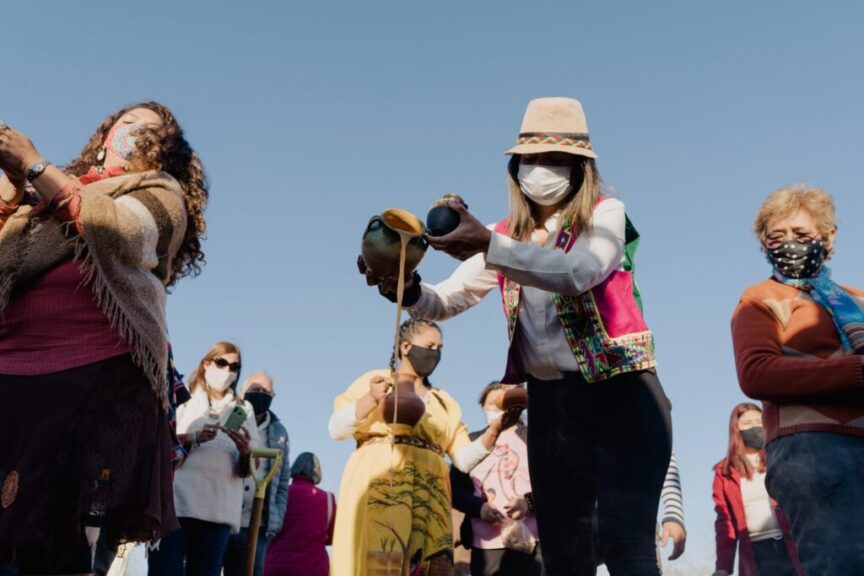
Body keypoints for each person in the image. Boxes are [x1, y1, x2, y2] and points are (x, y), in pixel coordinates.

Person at [360, 97, 672, 575]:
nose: (540, 170)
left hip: (622, 396)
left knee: (624, 544)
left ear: (579, 168)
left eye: (554, 160)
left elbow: (580, 271)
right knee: (565, 554)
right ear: (516, 167)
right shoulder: (505, 233)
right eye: (531, 160)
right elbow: (445, 300)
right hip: (552, 406)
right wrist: (402, 283)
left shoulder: (604, 215)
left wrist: (491, 246)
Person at [0, 104, 207, 574]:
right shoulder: (41, 195)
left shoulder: (159, 190)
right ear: (104, 135)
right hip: (10, 375)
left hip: (95, 382)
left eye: (151, 131)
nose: (136, 133)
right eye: (128, 123)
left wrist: (34, 164)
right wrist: (13, 185)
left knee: (61, 548)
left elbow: (121, 231)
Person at [732, 185, 864, 574]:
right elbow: (756, 372)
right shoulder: (758, 298)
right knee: (840, 564)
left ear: (829, 236)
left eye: (801, 235)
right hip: (811, 449)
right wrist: (855, 372)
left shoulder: (856, 299)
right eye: (777, 237)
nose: (789, 243)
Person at [328, 319, 514, 575]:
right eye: (429, 345)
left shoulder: (443, 401)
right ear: (405, 347)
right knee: (382, 555)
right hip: (384, 485)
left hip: (430, 493)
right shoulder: (377, 382)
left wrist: (494, 431)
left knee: (430, 562)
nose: (435, 353)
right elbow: (336, 429)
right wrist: (371, 398)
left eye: (440, 347)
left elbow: (462, 459)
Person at [154, 342, 259, 576]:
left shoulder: (245, 409)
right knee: (164, 571)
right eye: (222, 363)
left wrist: (245, 451)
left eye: (234, 366)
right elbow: (161, 444)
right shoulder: (183, 399)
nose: (227, 371)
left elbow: (253, 465)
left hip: (218, 510)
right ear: (207, 363)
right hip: (176, 504)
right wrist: (191, 438)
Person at [450, 382, 542, 576]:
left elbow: (556, 485)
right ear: (482, 407)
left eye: (500, 403)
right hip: (486, 546)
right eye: (490, 404)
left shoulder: (534, 438)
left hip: (535, 542)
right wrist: (479, 508)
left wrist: (528, 503)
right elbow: (453, 489)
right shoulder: (471, 442)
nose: (495, 410)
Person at [711, 403, 802, 576]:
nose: (754, 427)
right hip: (755, 553)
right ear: (736, 430)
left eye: (757, 421)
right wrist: (723, 567)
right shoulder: (725, 472)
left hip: (792, 545)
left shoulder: (782, 456)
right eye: (746, 424)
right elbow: (725, 522)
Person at [223, 373, 291, 576]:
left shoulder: (279, 432)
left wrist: (276, 517)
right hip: (223, 515)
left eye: (265, 391)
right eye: (254, 390)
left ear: (272, 396)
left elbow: (282, 478)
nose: (260, 395)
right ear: (243, 392)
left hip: (257, 523)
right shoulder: (231, 418)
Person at [263, 453, 335, 576]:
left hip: (275, 566)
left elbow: (265, 528)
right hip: (313, 568)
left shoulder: (278, 495)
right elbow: (333, 536)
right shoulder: (327, 499)